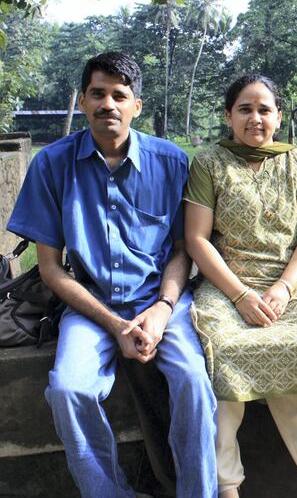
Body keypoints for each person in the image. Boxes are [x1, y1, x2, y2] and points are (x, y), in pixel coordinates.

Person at [6, 51, 217, 497]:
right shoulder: (52, 164)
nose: (109, 104)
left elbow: (183, 251)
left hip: (162, 300)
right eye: (98, 94)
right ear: (82, 101)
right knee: (67, 390)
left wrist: (161, 309)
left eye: (120, 95)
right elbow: (49, 267)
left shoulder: (171, 162)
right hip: (88, 304)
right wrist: (115, 324)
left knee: (195, 383)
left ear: (136, 106)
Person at [183, 74, 297, 498]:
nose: (255, 118)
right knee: (221, 352)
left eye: (264, 109)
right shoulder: (209, 163)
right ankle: (226, 485)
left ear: (278, 117)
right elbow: (196, 240)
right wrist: (241, 295)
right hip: (227, 283)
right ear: (228, 115)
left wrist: (283, 288)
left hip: (293, 282)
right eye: (245, 109)